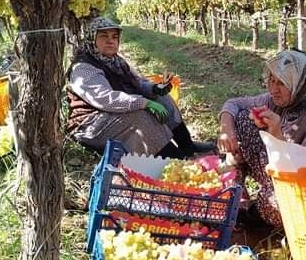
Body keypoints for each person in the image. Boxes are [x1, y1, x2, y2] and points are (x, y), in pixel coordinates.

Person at [217, 49, 306, 228]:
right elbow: (233, 104)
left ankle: (256, 216)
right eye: (272, 80)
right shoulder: (279, 100)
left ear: (299, 84)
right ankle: (235, 188)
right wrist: (227, 130)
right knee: (244, 118)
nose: (273, 90)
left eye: (282, 83)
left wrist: (277, 134)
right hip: (281, 173)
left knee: (276, 203)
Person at [66, 17, 215, 158]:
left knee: (162, 99)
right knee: (140, 116)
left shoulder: (116, 61)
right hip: (91, 125)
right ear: (92, 39)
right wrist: (144, 103)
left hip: (109, 114)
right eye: (104, 36)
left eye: (114, 37)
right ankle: (177, 160)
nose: (110, 41)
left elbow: (136, 82)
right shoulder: (84, 67)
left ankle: (187, 146)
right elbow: (105, 98)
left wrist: (155, 89)